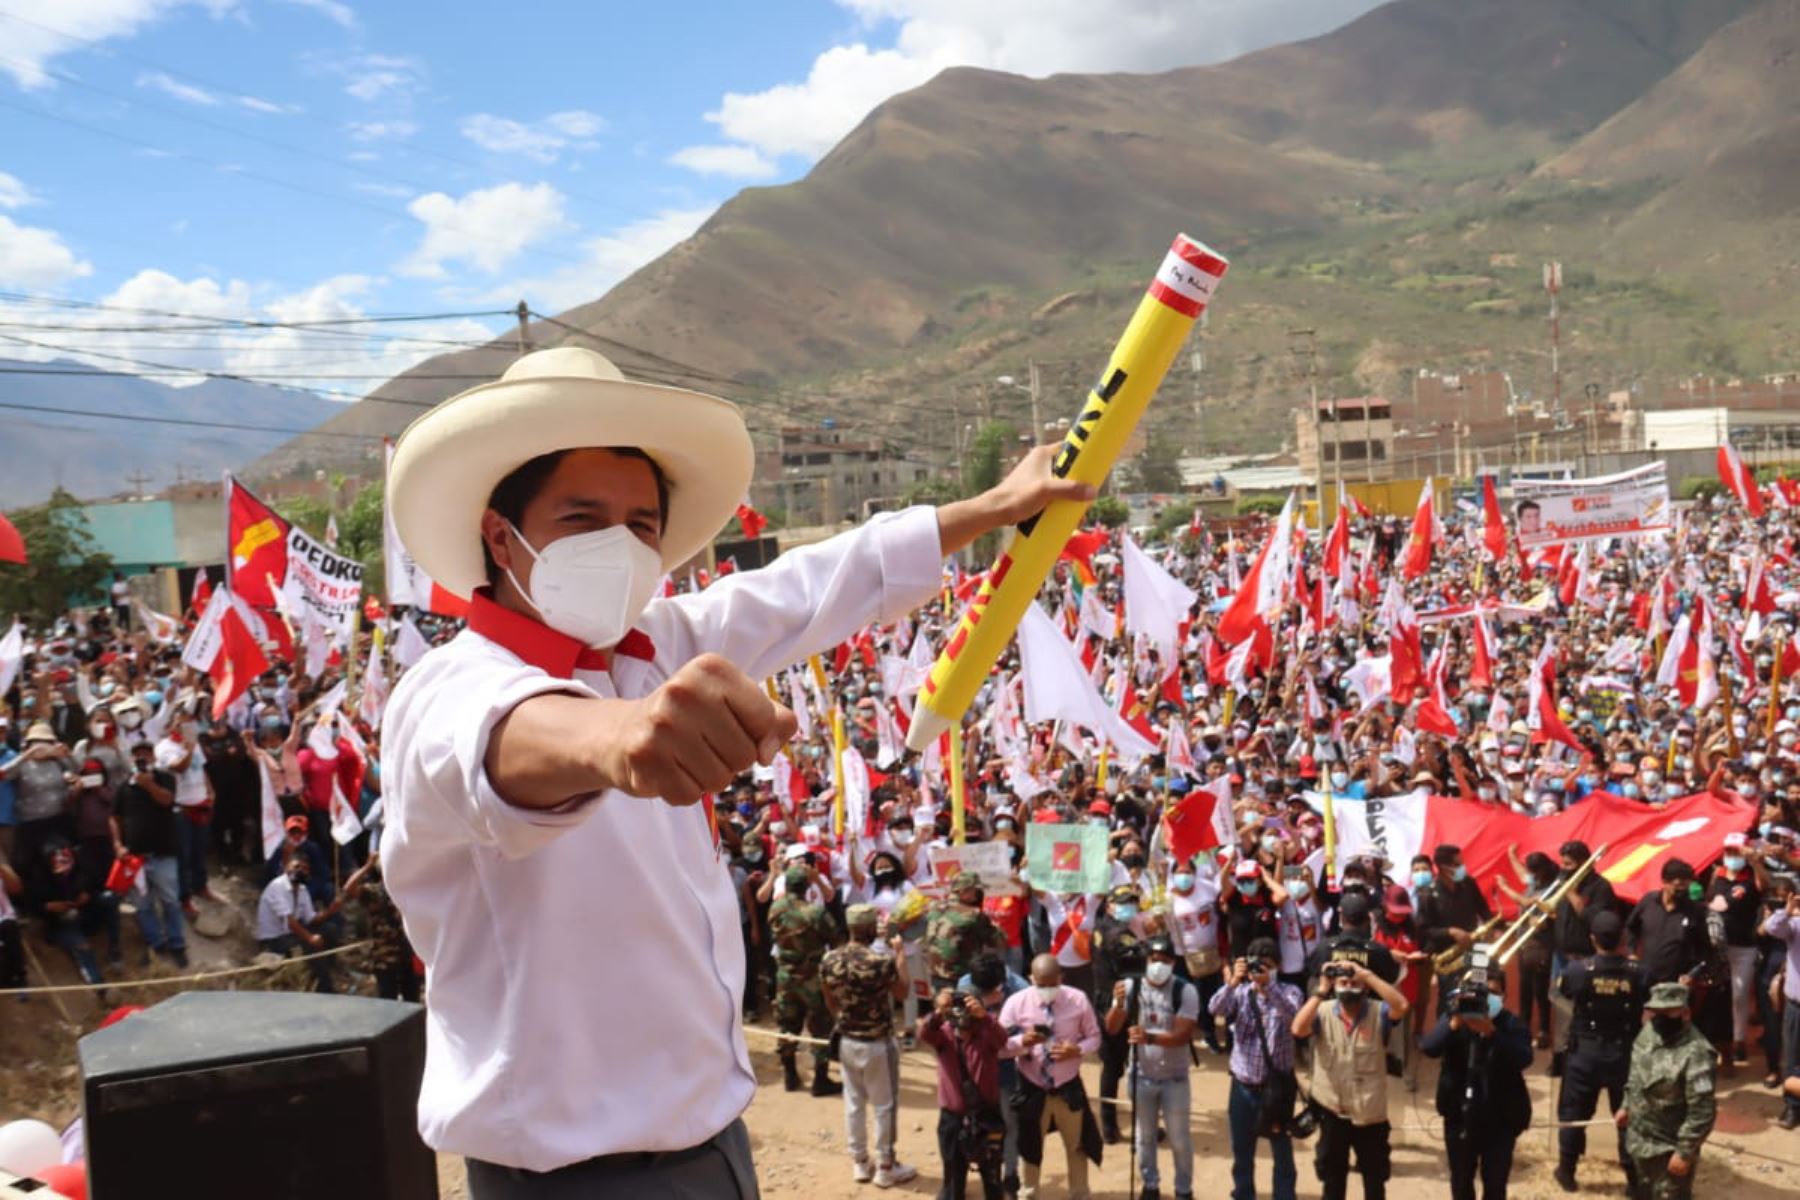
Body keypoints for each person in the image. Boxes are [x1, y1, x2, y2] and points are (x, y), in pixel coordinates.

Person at [380, 345, 1087, 1193]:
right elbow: (513, 742)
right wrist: (623, 737)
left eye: (641, 525)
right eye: (580, 518)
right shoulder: (448, 692)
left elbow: (813, 584)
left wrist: (991, 508)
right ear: (502, 532)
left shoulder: (660, 644)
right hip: (571, 1179)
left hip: (714, 1150)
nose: (620, 544)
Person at [1292, 958, 1409, 1200]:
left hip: (1370, 1115)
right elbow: (1298, 1028)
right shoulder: (1323, 1011)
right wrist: (1321, 990)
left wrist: (1367, 976)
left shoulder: (1379, 1012)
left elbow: (1402, 1006)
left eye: (1354, 982)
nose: (1348, 987)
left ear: (1365, 987)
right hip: (1333, 1112)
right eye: (1343, 982)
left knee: (1374, 1181)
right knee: (1332, 1181)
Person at [820, 903, 917, 1188]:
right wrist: (899, 953)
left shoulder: (829, 959)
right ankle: (886, 1166)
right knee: (884, 1105)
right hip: (877, 1042)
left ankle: (860, 1162)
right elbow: (903, 991)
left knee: (853, 1102)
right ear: (870, 929)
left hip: (847, 1038)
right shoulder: (879, 961)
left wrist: (843, 1019)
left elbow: (829, 999)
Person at [1421, 968, 1534, 1200]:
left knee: (1495, 1185)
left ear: (1503, 996)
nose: (1486, 998)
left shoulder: (1511, 1023)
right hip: (1459, 1116)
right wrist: (1455, 1021)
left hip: (1501, 1119)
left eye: (1493, 992)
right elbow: (1430, 1047)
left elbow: (1524, 1058)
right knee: (1461, 1183)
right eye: (1480, 992)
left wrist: (1492, 1033)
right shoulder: (1454, 1018)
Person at [1554, 910, 1646, 1193]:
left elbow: (1564, 992)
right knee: (1627, 1115)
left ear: (1592, 939)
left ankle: (1567, 1172)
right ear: (1622, 938)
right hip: (1625, 1053)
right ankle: (1633, 1180)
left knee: (1574, 1114)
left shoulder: (1578, 970)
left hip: (1585, 1053)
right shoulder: (1640, 972)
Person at [999, 953, 1104, 1200]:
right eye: (1040, 984)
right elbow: (999, 1045)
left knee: (1077, 1146)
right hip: (1031, 1085)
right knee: (1030, 1146)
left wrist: (1077, 1050)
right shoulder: (1016, 1002)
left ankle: (1079, 1193)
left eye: (1052, 984)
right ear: (1030, 979)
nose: (1047, 990)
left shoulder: (1078, 1000)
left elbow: (1094, 1037)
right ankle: (1029, 1193)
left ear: (1061, 978)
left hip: (1067, 1085)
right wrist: (1022, 1043)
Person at [1105, 934, 1198, 1200]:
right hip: (1141, 1075)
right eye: (1154, 960)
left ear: (1173, 962)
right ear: (1146, 961)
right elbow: (1111, 1027)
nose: (1159, 965)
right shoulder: (1130, 987)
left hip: (1175, 1078)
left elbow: (1182, 1035)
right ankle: (1150, 1185)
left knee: (1179, 1139)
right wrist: (1119, 1003)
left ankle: (1183, 1189)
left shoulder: (1185, 991)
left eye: (1165, 960)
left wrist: (1149, 1037)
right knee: (1144, 1138)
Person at [1210, 937, 1302, 1200]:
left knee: (1281, 1152)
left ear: (1278, 967)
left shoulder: (1289, 992)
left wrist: (1269, 987)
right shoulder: (1240, 993)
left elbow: (1295, 1018)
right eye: (1257, 965)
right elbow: (1214, 1008)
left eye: (1268, 966)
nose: (1262, 971)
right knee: (1242, 1151)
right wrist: (1232, 982)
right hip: (1243, 1087)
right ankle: (1243, 1193)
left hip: (1277, 1089)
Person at [1620, 982, 1717, 1200]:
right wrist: (1626, 1105)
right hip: (1639, 1143)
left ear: (1685, 1013)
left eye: (1668, 1011)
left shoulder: (1698, 1053)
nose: (1661, 1018)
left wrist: (1685, 1152)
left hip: (1667, 1150)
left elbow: (1702, 1112)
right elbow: (1635, 1076)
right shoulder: (1648, 1033)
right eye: (1657, 1012)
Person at [920, 986, 1008, 1200]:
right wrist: (940, 1012)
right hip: (953, 1118)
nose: (962, 1014)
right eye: (956, 1008)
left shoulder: (987, 1032)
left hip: (987, 1116)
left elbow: (1002, 1039)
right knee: (953, 1178)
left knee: (993, 1177)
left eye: (966, 1006)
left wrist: (984, 1016)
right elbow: (925, 1033)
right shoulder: (944, 1035)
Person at [769, 863, 845, 1096]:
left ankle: (790, 1075)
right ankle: (820, 1080)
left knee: (787, 1025)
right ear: (807, 886)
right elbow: (836, 941)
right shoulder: (815, 912)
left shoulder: (776, 909)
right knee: (820, 1026)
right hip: (812, 978)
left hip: (785, 975)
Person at [112, 738, 187, 968]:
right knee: (143, 905)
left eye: (146, 754)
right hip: (136, 858)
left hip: (163, 854)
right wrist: (117, 844)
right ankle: (155, 943)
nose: (141, 758)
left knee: (170, 901)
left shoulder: (165, 778)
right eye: (137, 755)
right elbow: (115, 818)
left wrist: (148, 785)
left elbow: (166, 800)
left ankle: (177, 944)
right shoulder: (124, 787)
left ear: (153, 756)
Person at [1092, 882, 1149, 1144]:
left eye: (1132, 902)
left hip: (1108, 994)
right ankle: (1116, 1124)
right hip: (1119, 998)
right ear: (1110, 905)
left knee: (1113, 1066)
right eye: (1124, 902)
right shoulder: (1118, 934)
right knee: (1123, 1063)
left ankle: (1109, 1124)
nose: (1130, 907)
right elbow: (1145, 957)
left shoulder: (1101, 925)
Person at [1627, 859, 1712, 985]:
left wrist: (1692, 974)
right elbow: (1630, 929)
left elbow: (1705, 950)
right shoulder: (1648, 902)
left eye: (1686, 888)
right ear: (1665, 882)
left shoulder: (1695, 911)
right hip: (1644, 980)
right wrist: (1631, 953)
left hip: (1675, 985)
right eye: (1677, 888)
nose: (1682, 893)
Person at [926, 870, 1009, 996]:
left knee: (943, 1010)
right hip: (961, 976)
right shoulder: (973, 914)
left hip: (936, 973)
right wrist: (995, 925)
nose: (978, 894)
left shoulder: (934, 907)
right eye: (975, 891)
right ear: (963, 892)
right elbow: (999, 941)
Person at [1760, 887, 1800, 1130]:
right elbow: (1773, 928)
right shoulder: (1794, 924)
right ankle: (1792, 1107)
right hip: (1797, 1005)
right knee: (1793, 1058)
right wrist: (1787, 910)